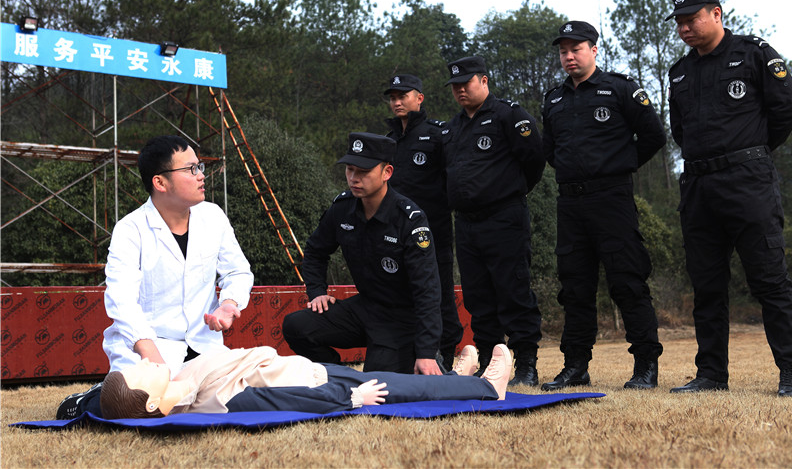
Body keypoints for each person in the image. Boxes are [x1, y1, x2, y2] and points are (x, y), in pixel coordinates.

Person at [56, 135, 254, 418]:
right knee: (141, 406)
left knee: (235, 399)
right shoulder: (131, 230)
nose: (201, 176)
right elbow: (121, 299)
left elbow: (238, 271)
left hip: (204, 346)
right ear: (160, 182)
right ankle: (88, 401)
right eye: (191, 169)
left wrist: (229, 303)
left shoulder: (213, 217)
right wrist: (152, 357)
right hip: (149, 350)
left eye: (199, 167)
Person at [665, 0, 792, 397]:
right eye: (679, 22)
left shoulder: (753, 53)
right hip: (699, 187)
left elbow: (788, 108)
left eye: (692, 19)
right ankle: (711, 375)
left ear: (716, 14)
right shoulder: (680, 71)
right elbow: (679, 130)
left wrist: (752, 151)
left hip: (747, 183)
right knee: (707, 285)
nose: (684, 28)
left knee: (769, 278)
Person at [541, 21, 666, 391]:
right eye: (563, 51)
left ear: (594, 50)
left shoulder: (620, 89)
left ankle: (645, 365)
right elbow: (550, 150)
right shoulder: (554, 99)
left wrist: (619, 166)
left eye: (576, 49)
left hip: (612, 200)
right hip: (571, 203)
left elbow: (654, 136)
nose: (569, 56)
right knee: (575, 287)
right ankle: (575, 366)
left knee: (628, 281)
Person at [282, 132, 444, 376]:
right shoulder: (342, 208)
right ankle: (336, 376)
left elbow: (427, 291)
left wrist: (426, 352)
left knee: (376, 383)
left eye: (364, 172)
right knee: (296, 326)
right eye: (350, 170)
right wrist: (317, 292)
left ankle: (432, 360)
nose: (354, 178)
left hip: (401, 319)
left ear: (387, 172)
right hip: (364, 308)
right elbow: (315, 251)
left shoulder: (409, 220)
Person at [441, 55, 546, 385]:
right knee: (478, 296)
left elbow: (534, 160)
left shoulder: (508, 115)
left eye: (466, 83)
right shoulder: (453, 127)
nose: (460, 90)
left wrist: (509, 192)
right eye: (455, 86)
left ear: (484, 81)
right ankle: (489, 362)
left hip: (504, 219)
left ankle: (526, 364)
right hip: (467, 224)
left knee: (513, 290)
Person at [98, 343, 511, 419]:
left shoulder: (183, 378)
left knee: (401, 381)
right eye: (141, 373)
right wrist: (351, 398)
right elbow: (286, 402)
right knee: (405, 389)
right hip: (321, 386)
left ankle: (457, 379)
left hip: (312, 369)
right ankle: (488, 388)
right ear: (151, 403)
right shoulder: (217, 401)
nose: (146, 363)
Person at [383, 74, 464, 370]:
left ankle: (445, 357)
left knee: (438, 295)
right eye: (392, 97)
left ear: (419, 98)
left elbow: (456, 179)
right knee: (401, 296)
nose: (397, 102)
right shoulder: (388, 141)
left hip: (433, 233)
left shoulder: (439, 134)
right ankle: (409, 357)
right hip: (394, 235)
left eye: (403, 96)